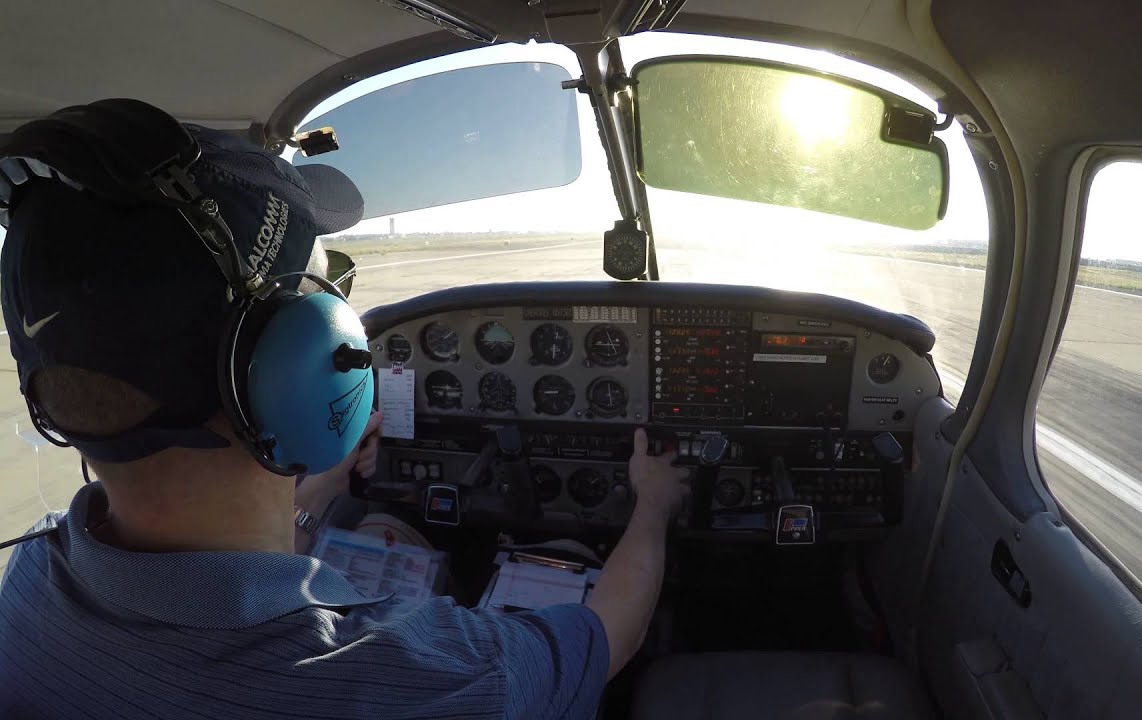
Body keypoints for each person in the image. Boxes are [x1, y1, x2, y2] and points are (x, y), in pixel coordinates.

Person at [0, 106, 688, 719]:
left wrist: (320, 490)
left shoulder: (28, 578)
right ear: (302, 357)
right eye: (330, 286)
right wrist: (653, 504)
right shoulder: (437, 681)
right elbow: (604, 635)